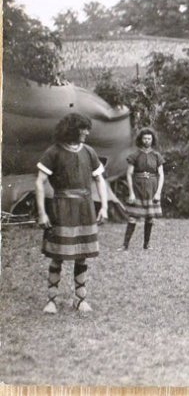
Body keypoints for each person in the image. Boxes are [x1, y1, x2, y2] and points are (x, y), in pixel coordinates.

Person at [35, 113, 108, 313]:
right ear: (72, 130)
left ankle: (80, 299)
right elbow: (39, 182)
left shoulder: (89, 152)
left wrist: (104, 206)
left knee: (82, 254)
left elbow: (100, 180)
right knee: (57, 255)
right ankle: (51, 300)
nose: (87, 132)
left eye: (87, 128)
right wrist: (42, 213)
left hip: (85, 208)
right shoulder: (53, 152)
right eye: (83, 128)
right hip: (61, 208)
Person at [119, 128, 165, 250]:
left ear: (152, 139)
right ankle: (125, 245)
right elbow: (129, 174)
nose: (147, 141)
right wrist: (131, 193)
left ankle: (146, 244)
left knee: (150, 217)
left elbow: (161, 175)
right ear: (140, 139)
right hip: (138, 188)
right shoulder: (135, 155)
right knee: (132, 217)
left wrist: (158, 193)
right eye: (145, 138)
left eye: (149, 138)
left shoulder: (156, 156)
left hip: (152, 189)